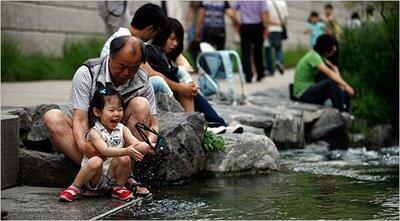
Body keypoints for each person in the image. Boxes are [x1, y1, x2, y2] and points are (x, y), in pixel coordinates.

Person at [44, 36, 158, 195]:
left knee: (141, 104)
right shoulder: (87, 73)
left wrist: (149, 144)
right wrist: (87, 146)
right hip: (91, 140)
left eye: (133, 68)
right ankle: (92, 170)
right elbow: (80, 118)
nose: (127, 72)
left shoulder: (142, 79)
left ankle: (124, 173)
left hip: (120, 145)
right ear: (110, 56)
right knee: (52, 117)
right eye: (122, 66)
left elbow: (153, 124)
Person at [148, 17, 243, 134]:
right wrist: (184, 86)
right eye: (172, 39)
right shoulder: (151, 52)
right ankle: (213, 124)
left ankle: (217, 124)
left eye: (178, 40)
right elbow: (160, 76)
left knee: (189, 86)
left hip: (174, 95)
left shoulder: (167, 55)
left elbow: (186, 67)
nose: (175, 44)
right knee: (187, 87)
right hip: (161, 96)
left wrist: (188, 82)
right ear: (162, 36)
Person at [59, 87, 151, 202]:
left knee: (125, 159)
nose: (117, 114)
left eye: (120, 109)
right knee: (96, 160)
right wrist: (127, 150)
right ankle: (74, 187)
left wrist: (149, 146)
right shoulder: (94, 132)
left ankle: (119, 188)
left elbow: (136, 143)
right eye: (112, 110)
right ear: (97, 112)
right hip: (95, 177)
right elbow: (105, 150)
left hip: (111, 176)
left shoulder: (122, 129)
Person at [293, 34, 355, 112]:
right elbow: (329, 73)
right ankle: (340, 111)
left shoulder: (319, 56)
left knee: (338, 84)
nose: (333, 53)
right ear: (325, 48)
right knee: (332, 82)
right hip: (302, 95)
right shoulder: (313, 56)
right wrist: (346, 86)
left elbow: (334, 68)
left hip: (309, 90)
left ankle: (346, 111)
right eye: (331, 50)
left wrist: (342, 84)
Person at [231, 1, 269, 83]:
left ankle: (248, 75)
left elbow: (232, 10)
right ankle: (260, 74)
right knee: (258, 51)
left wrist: (235, 22)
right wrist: (266, 27)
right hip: (258, 26)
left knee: (246, 52)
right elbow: (264, 13)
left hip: (245, 26)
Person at [265, 0, 289, 76]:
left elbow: (265, 18)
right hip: (279, 29)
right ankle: (279, 61)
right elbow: (285, 19)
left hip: (269, 29)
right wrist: (283, 27)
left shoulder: (266, 2)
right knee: (278, 49)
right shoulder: (283, 3)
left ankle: (271, 70)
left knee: (268, 50)